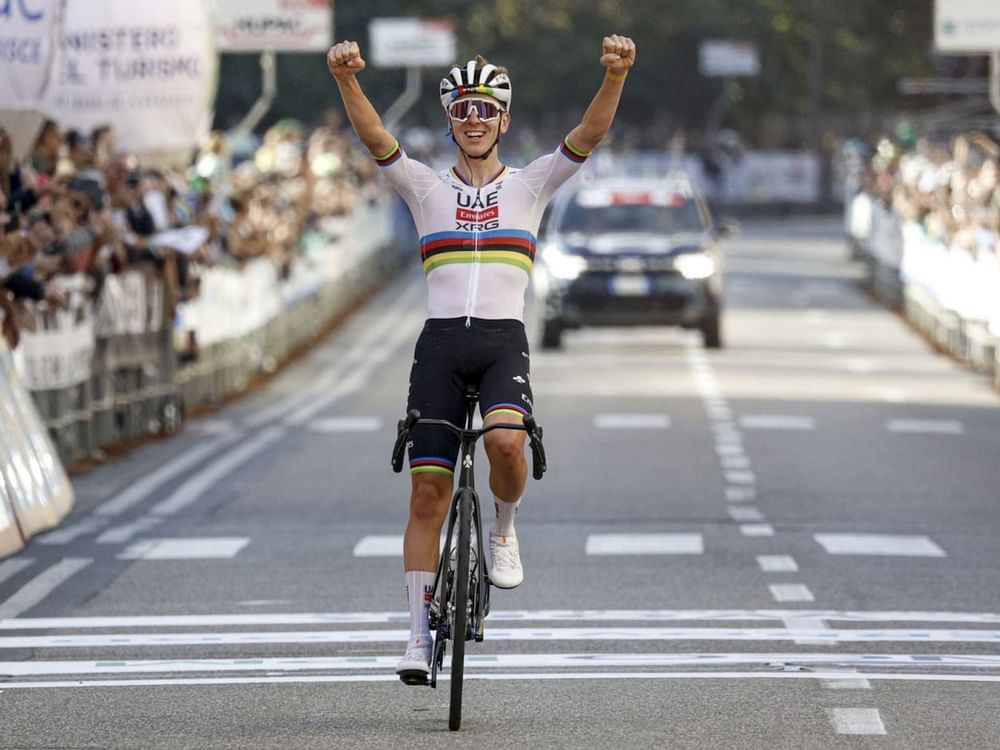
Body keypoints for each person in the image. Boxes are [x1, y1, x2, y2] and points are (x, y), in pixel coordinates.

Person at [327, 33, 636, 684]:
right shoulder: (424, 188)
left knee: (505, 442)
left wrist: (615, 75)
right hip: (440, 345)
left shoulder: (531, 185)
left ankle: (503, 527)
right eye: (462, 109)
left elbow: (588, 134)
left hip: (501, 341)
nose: (473, 120)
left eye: (485, 110)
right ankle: (417, 636)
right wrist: (346, 79)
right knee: (426, 496)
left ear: (504, 121)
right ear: (450, 119)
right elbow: (375, 137)